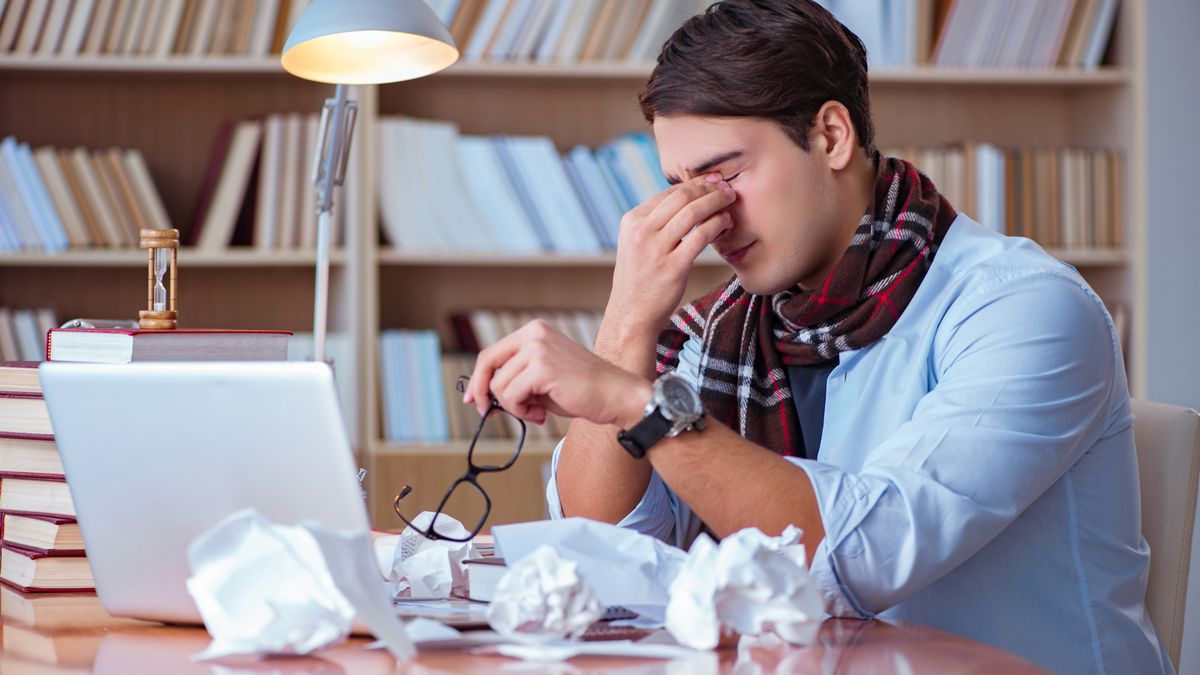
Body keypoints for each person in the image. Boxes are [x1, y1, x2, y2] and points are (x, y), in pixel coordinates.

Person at [463, 1, 1170, 672]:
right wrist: (626, 324)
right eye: (679, 184)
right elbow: (609, 546)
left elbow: (860, 554)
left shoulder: (1024, 309)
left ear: (831, 136)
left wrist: (635, 403)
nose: (703, 214)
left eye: (724, 173)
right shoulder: (728, 328)